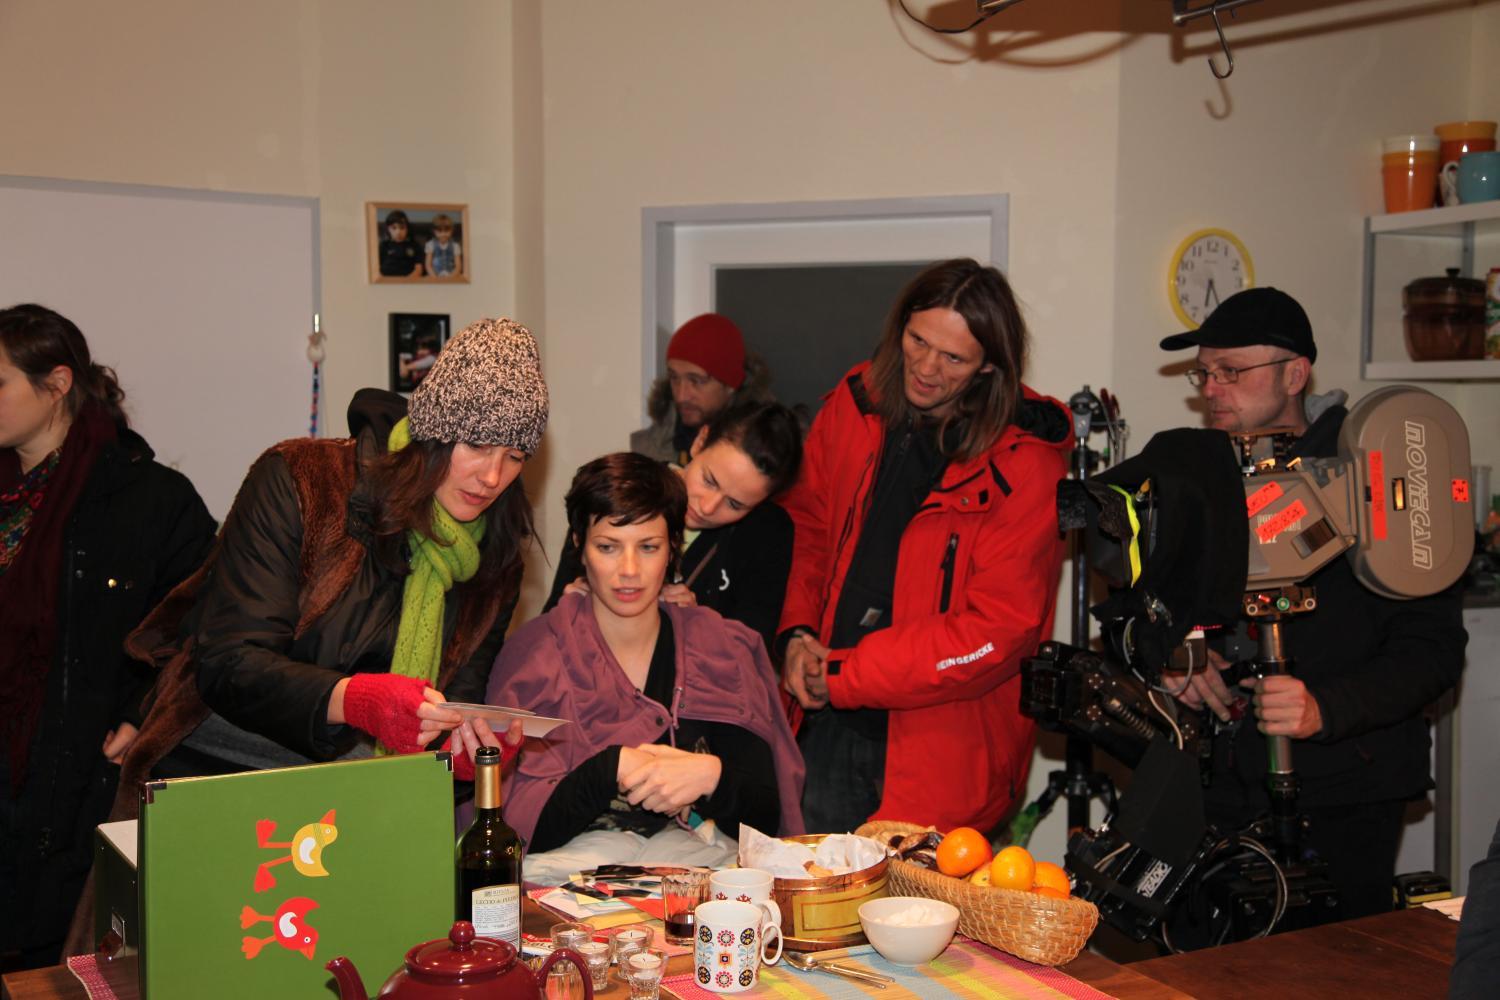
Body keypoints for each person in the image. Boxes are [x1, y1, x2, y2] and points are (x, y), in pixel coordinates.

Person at [112, 317, 546, 797]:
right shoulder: (301, 480)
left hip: (361, 795)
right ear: (434, 432)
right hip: (217, 773)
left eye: (515, 456)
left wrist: (463, 761)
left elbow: (451, 712)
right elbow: (230, 662)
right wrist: (352, 700)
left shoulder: (495, 560)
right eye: (478, 445)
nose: (493, 477)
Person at [1159, 286, 1467, 924]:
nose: (1211, 388)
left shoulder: (1378, 472)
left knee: (1334, 965)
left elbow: (1433, 651)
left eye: (1230, 371)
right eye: (1204, 373)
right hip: (1227, 784)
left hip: (1349, 787)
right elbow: (1155, 599)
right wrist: (1180, 651)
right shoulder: (1204, 475)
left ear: (1294, 374)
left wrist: (1324, 708)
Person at [777, 258, 1073, 835]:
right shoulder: (856, 403)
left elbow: (996, 630)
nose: (927, 368)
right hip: (823, 726)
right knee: (808, 893)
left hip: (938, 752)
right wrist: (795, 634)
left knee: (913, 899)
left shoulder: (1026, 465)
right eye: (917, 341)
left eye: (953, 358)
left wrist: (846, 673)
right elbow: (806, 529)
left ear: (989, 364)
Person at [0, 304, 216, 969]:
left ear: (57, 383)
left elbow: (205, 626)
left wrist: (141, 710)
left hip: (76, 802)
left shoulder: (152, 500)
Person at [471, 452, 804, 882]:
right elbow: (507, 830)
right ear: (580, 546)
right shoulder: (533, 657)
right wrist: (609, 770)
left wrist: (712, 777)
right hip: (563, 886)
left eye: (648, 547)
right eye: (608, 547)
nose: (628, 571)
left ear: (672, 549)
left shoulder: (723, 650)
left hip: (702, 883)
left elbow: (768, 817)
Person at [545, 398, 802, 654]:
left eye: (735, 504)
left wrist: (699, 625)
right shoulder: (624, 493)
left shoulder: (767, 532)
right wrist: (567, 609)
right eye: (709, 481)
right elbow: (546, 631)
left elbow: (751, 654)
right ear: (700, 441)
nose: (708, 507)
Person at [630, 313, 769, 466]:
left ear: (731, 385)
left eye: (696, 381)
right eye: (674, 378)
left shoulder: (763, 457)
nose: (681, 396)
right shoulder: (646, 451)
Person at [378, 209, 425, 278]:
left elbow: (419, 269)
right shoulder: (384, 245)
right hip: (386, 280)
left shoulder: (414, 245)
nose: (398, 232)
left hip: (408, 280)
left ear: (407, 229)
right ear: (388, 229)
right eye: (394, 228)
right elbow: (375, 269)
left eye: (402, 228)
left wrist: (406, 281)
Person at [424, 214, 462, 279]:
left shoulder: (455, 246)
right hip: (434, 275)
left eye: (446, 231)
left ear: (451, 230)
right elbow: (428, 265)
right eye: (439, 231)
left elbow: (458, 266)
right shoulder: (430, 244)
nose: (443, 234)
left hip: (451, 275)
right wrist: (435, 278)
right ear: (434, 231)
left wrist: (450, 278)